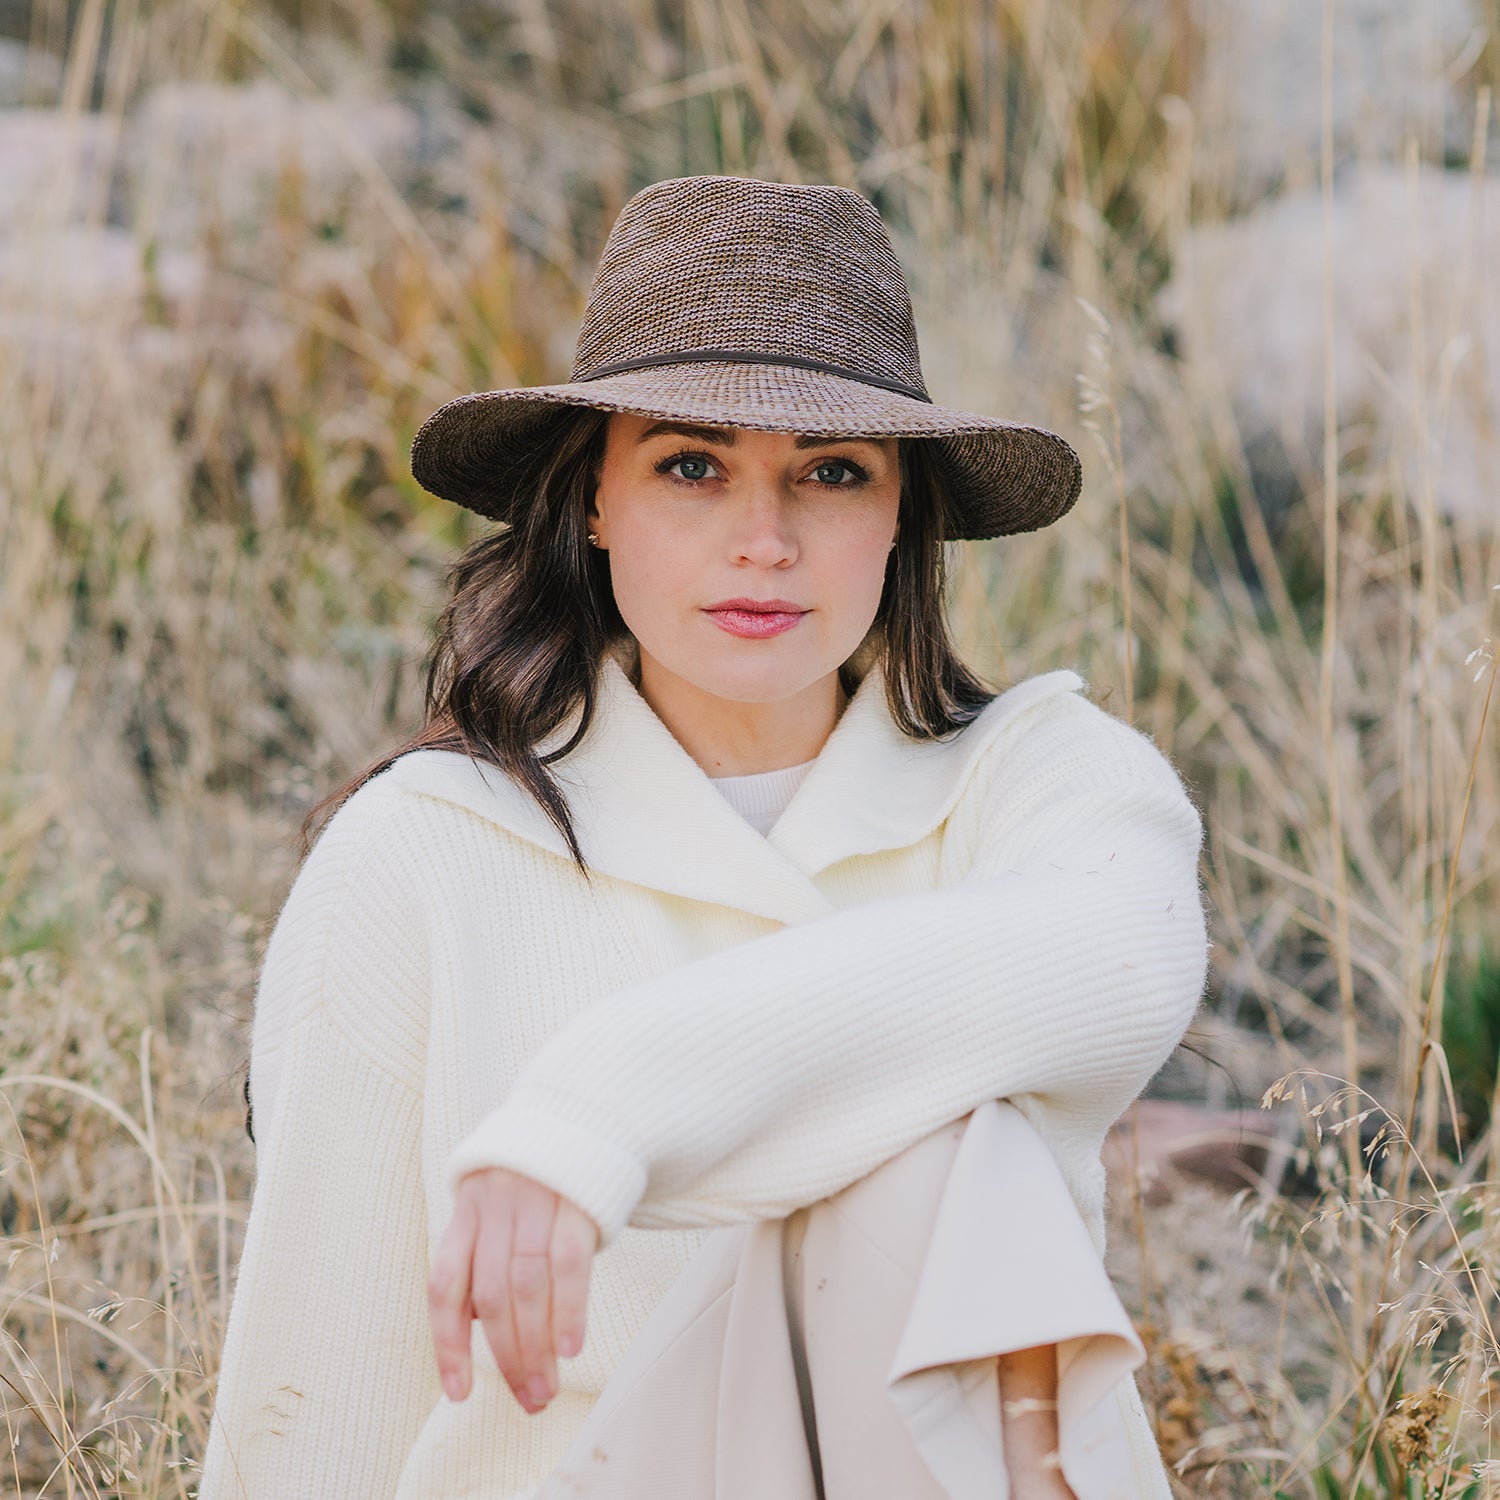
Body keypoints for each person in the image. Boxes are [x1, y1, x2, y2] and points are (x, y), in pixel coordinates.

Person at [200, 174, 1208, 1500]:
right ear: (597, 501)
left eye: (832, 474)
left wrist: (591, 1117)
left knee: (927, 1167)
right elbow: (314, 1385)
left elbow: (1115, 956)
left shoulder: (1036, 779)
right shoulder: (424, 850)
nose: (765, 541)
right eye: (692, 465)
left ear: (901, 510)